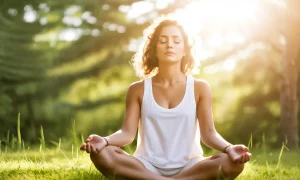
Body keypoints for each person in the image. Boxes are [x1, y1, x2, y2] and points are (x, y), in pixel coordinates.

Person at [80, 17, 251, 180]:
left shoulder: (200, 88)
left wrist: (229, 148)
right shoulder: (137, 89)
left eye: (176, 41)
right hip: (146, 165)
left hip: (190, 165)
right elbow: (127, 133)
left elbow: (208, 134)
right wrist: (104, 141)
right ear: (154, 48)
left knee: (231, 164)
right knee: (103, 154)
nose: (170, 45)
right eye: (163, 41)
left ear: (184, 49)